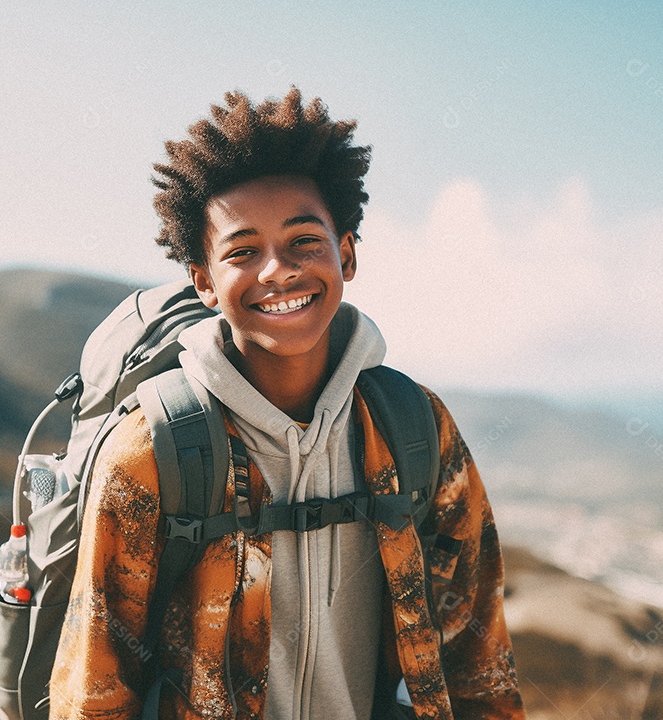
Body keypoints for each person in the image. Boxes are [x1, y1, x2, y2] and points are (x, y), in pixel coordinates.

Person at [49, 88, 525, 720]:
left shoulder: (415, 429)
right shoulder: (152, 451)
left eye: (304, 240)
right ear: (204, 281)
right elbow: (93, 691)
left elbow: (479, 664)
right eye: (242, 251)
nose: (278, 270)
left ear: (346, 253)